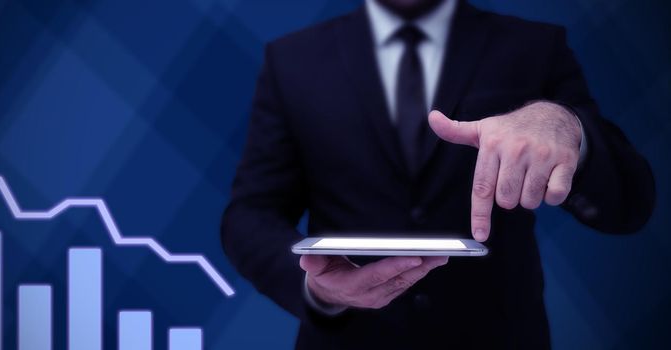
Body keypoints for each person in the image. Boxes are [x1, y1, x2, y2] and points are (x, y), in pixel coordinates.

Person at [220, 0, 655, 348]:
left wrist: (565, 128)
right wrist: (318, 290)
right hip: (347, 340)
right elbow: (250, 215)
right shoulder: (293, 59)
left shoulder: (535, 47)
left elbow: (629, 205)